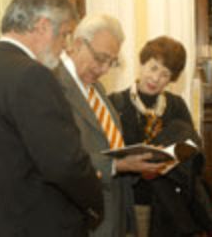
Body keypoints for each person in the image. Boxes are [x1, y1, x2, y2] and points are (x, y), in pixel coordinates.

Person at [0, 0, 103, 237]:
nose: (66, 47)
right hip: (39, 225)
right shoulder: (33, 76)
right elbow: (64, 163)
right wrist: (95, 199)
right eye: (66, 35)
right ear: (43, 26)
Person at [53, 14, 167, 237]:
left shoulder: (97, 89)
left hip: (117, 212)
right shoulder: (52, 85)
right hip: (84, 218)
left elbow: (111, 144)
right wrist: (119, 165)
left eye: (111, 62)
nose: (104, 69)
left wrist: (140, 161)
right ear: (77, 44)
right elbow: (60, 155)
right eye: (100, 58)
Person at [108, 36, 212, 237]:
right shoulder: (115, 103)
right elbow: (106, 155)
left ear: (172, 79)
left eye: (165, 74)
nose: (156, 78)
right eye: (153, 68)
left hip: (170, 206)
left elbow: (192, 152)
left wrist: (166, 163)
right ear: (142, 64)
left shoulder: (176, 106)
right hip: (132, 203)